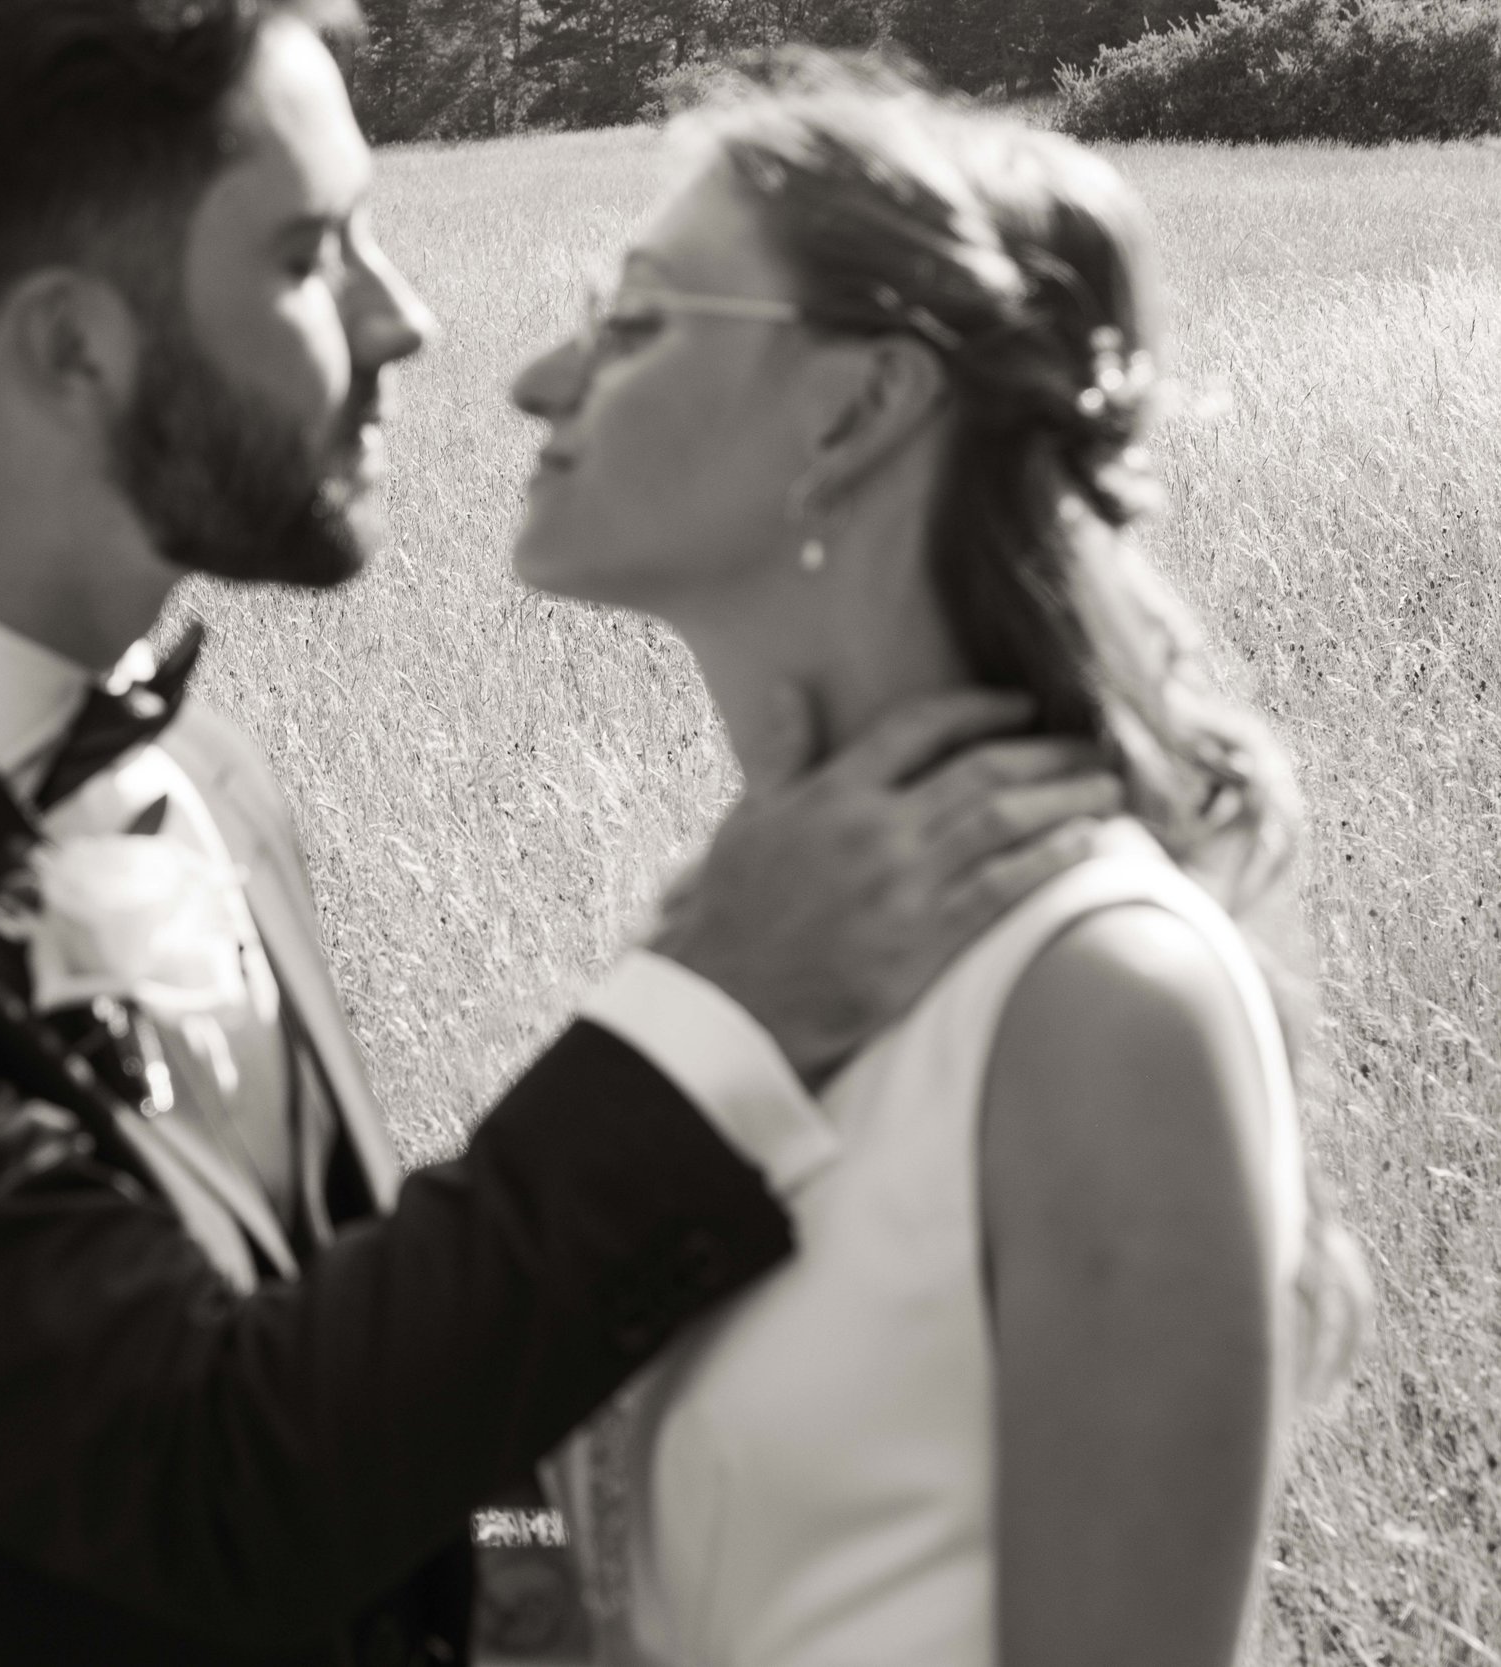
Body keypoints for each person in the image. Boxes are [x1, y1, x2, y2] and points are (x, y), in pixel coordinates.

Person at [0, 9, 1116, 1664]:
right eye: (306, 255)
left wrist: (534, 1577)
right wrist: (713, 1013)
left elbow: (367, 1354)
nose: (401, 317)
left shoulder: (195, 761)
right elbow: (211, 1482)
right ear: (73, 348)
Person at [513, 58, 1368, 1667]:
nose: (539, 380)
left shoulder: (1106, 1003)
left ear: (856, 407)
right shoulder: (743, 949)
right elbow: (561, 1517)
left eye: (636, 318)